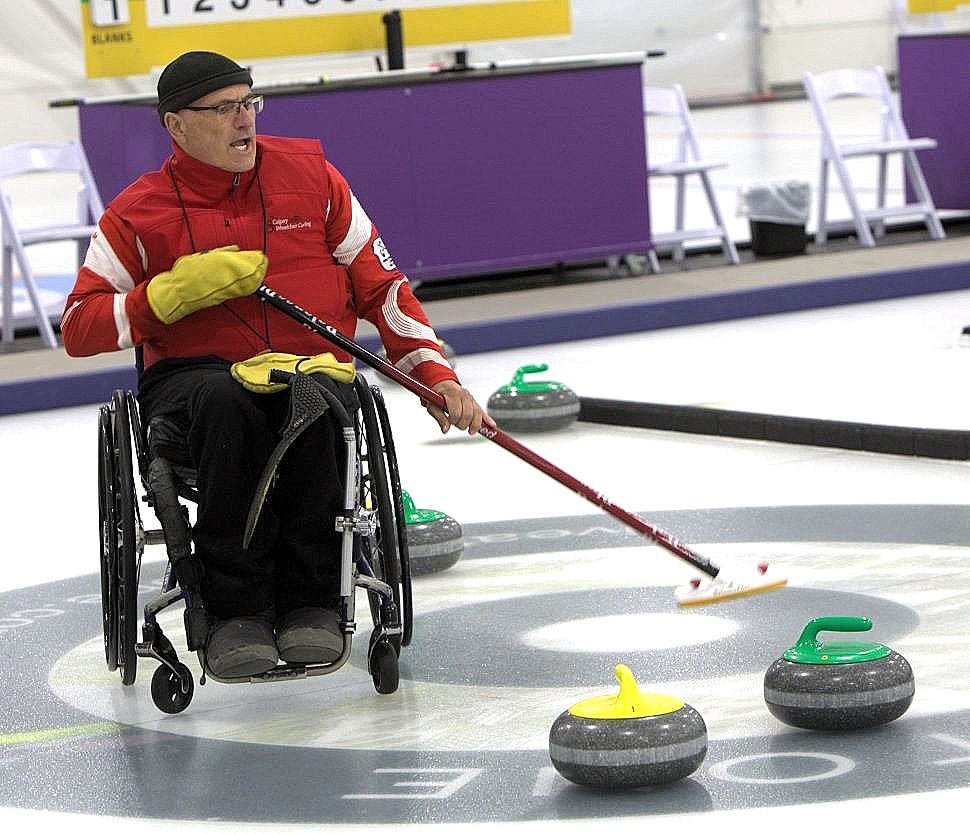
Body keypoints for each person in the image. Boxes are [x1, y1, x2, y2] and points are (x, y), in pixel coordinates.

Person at [62, 50, 493, 679]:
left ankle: (312, 605)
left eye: (250, 102)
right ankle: (234, 612)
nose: (245, 120)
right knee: (226, 404)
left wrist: (434, 374)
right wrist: (160, 298)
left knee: (313, 402)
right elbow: (78, 326)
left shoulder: (315, 179)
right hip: (195, 381)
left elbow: (385, 288)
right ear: (176, 125)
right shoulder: (138, 212)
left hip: (309, 364)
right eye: (224, 109)